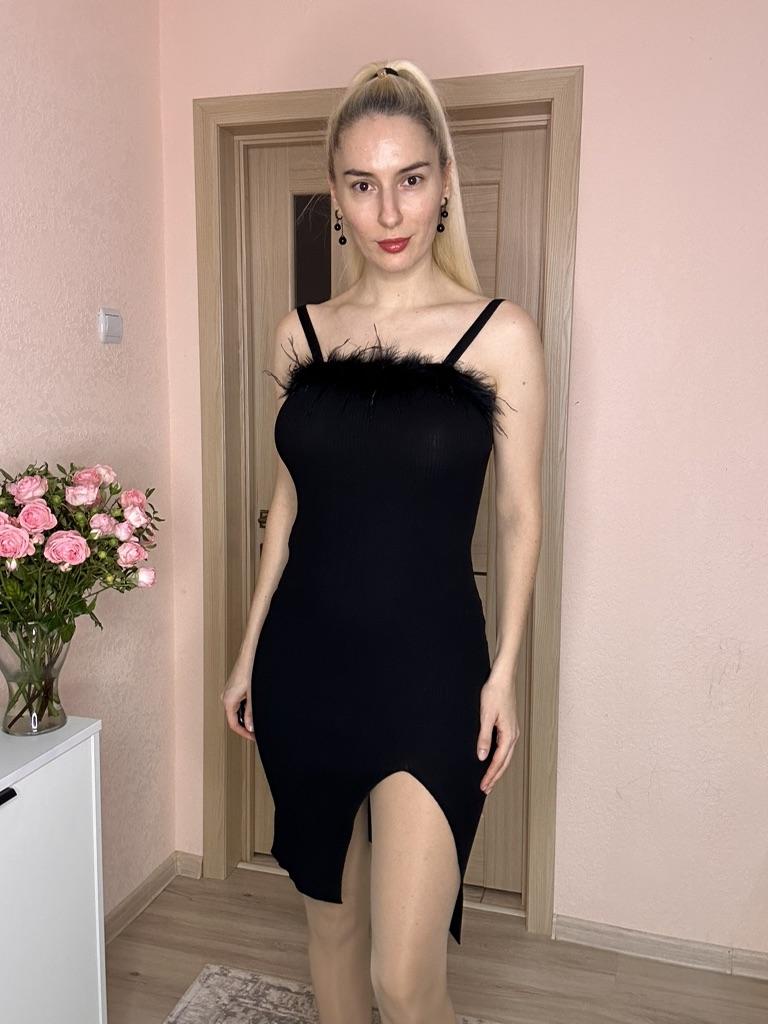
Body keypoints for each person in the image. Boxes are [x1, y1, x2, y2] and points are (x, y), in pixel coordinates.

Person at [223, 58, 546, 1024]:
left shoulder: (499, 334)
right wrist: (246, 651)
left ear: (445, 181)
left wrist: (505, 673)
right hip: (304, 667)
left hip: (432, 676)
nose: (389, 210)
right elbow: (289, 502)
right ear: (336, 195)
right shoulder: (301, 335)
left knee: (405, 981)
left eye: (410, 178)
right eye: (362, 185)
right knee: (332, 934)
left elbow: (521, 515)